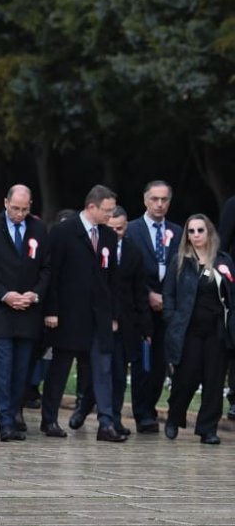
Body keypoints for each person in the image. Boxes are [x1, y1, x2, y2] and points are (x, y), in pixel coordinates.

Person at [42, 185, 125, 442]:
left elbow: (112, 279)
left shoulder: (109, 237)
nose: (110, 216)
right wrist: (51, 310)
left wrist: (113, 314)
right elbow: (51, 274)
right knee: (60, 369)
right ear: (92, 207)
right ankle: (50, 419)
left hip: (98, 316)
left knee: (102, 369)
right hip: (68, 315)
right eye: (107, 211)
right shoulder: (63, 232)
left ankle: (106, 423)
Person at [71, 206, 150, 434]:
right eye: (112, 228)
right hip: (96, 319)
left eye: (121, 228)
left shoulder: (133, 253)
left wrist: (145, 327)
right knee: (99, 370)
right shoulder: (94, 248)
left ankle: (113, 419)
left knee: (117, 372)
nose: (117, 233)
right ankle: (83, 408)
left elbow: (139, 292)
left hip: (125, 323)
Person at [162, 214, 233, 444]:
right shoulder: (180, 261)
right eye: (191, 231)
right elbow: (169, 294)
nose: (196, 235)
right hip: (189, 329)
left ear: (209, 232)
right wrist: (172, 318)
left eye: (200, 230)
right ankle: (174, 417)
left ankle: (207, 428)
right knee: (186, 377)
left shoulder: (223, 261)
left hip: (216, 330)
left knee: (214, 380)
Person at [124, 180, 182, 433]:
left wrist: (167, 297)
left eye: (164, 200)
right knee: (142, 363)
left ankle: (152, 406)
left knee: (161, 363)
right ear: (145, 200)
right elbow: (126, 269)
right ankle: (143, 413)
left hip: (168, 307)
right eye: (155, 199)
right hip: (140, 305)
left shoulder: (179, 232)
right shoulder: (131, 230)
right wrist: (147, 294)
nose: (159, 204)